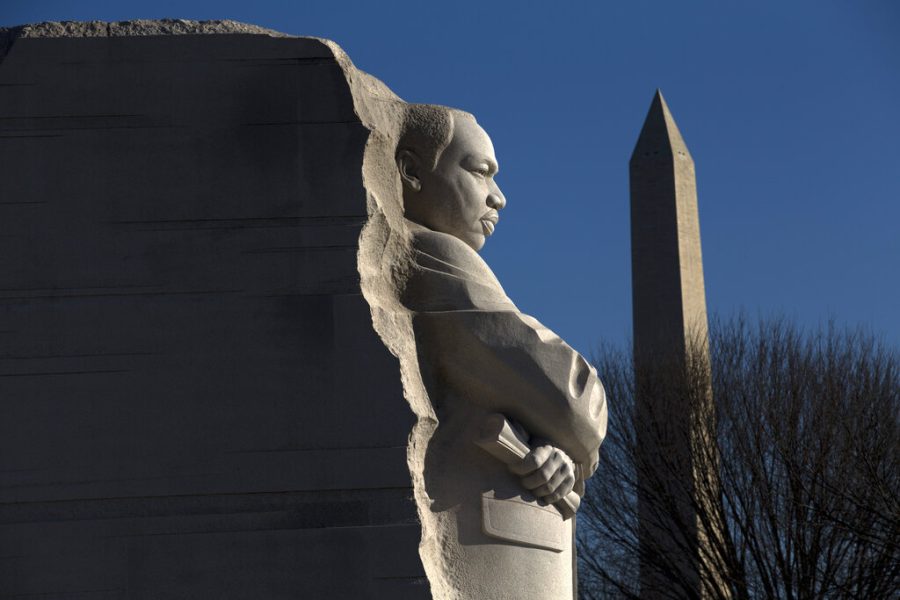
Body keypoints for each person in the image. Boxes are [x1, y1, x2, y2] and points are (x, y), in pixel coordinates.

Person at [396, 103, 607, 600]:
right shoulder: (433, 255)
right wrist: (573, 437)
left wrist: (562, 458)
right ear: (410, 172)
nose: (500, 198)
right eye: (479, 171)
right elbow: (574, 402)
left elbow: (550, 422)